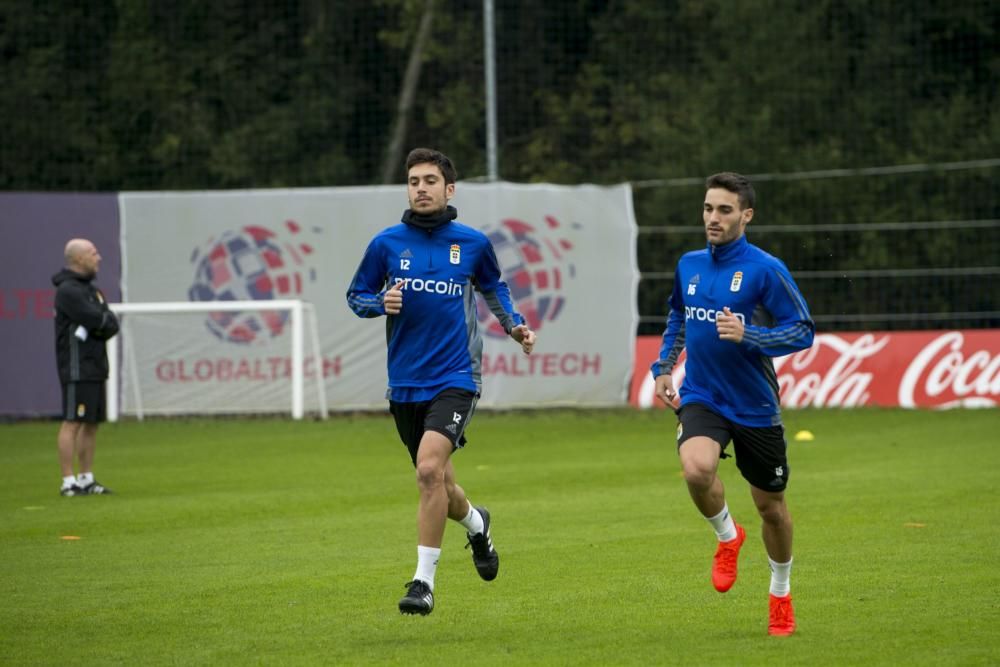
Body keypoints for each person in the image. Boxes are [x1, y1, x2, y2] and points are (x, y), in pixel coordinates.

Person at [346, 148, 536, 616]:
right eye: (414, 181)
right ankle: (477, 524)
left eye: (430, 180)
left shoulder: (471, 243)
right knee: (441, 486)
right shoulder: (386, 244)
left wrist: (514, 325)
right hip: (405, 383)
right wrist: (379, 304)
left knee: (429, 471)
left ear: (449, 189)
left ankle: (422, 583)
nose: (421, 188)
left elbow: (494, 287)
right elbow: (357, 295)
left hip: (456, 376)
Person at [651, 172, 814, 636]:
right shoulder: (689, 264)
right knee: (697, 469)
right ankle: (728, 536)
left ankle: (780, 592)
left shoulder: (766, 270)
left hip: (755, 406)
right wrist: (664, 367)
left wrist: (752, 335)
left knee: (772, 508)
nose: (713, 218)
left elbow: (802, 329)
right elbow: (678, 314)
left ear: (747, 215)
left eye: (724, 210)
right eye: (707, 208)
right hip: (703, 395)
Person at [52, 238, 120, 496]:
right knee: (73, 421)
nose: (99, 257)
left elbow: (111, 322)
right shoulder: (68, 291)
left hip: (95, 365)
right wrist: (101, 322)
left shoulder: (92, 290)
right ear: (79, 259)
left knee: (91, 423)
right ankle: (68, 481)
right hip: (76, 367)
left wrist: (101, 322)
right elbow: (95, 318)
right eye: (93, 253)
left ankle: (86, 478)